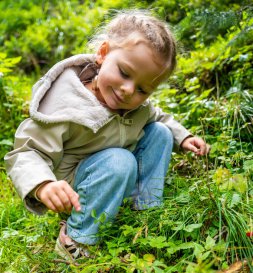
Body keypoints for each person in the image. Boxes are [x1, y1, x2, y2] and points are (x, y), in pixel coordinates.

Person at [5, 10, 210, 260]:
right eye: (124, 73)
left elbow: (156, 115)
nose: (127, 90)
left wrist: (184, 137)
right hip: (76, 189)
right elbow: (27, 152)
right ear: (103, 54)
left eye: (143, 89)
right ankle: (77, 238)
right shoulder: (66, 106)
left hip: (113, 173)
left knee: (160, 133)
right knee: (119, 160)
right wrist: (43, 184)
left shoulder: (135, 104)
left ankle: (142, 211)